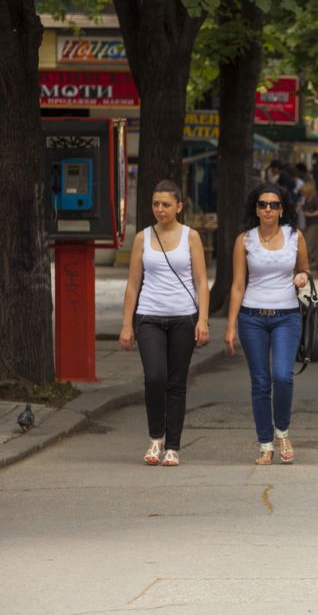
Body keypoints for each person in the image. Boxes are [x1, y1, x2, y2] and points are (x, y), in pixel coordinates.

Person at [119, 180, 210, 467]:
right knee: (154, 377)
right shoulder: (142, 238)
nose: (160, 209)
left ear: (179, 207)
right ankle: (155, 437)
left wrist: (203, 320)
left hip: (183, 316)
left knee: (176, 383)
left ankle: (173, 446)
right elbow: (133, 284)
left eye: (166, 204)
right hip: (149, 316)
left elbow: (201, 282)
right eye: (156, 204)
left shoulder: (190, 237)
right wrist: (126, 324)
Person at [224, 183, 310, 465]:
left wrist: (302, 277)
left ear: (282, 209)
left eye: (274, 204)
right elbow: (238, 285)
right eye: (263, 204)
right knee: (260, 382)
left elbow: (304, 269)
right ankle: (265, 443)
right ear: (256, 209)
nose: (268, 209)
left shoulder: (294, 236)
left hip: (287, 316)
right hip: (252, 317)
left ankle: (282, 430)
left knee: (283, 376)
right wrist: (231, 325)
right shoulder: (244, 240)